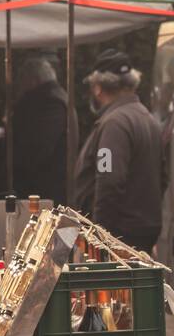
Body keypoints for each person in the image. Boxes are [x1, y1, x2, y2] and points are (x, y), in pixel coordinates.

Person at [72, 48, 163, 249]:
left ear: (97, 88)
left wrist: (99, 235)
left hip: (120, 237)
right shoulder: (147, 119)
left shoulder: (114, 124)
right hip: (142, 230)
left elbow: (108, 179)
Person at [11, 55, 68, 203]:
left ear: (32, 80)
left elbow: (38, 148)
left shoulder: (48, 102)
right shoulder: (56, 97)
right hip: (50, 186)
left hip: (43, 188)